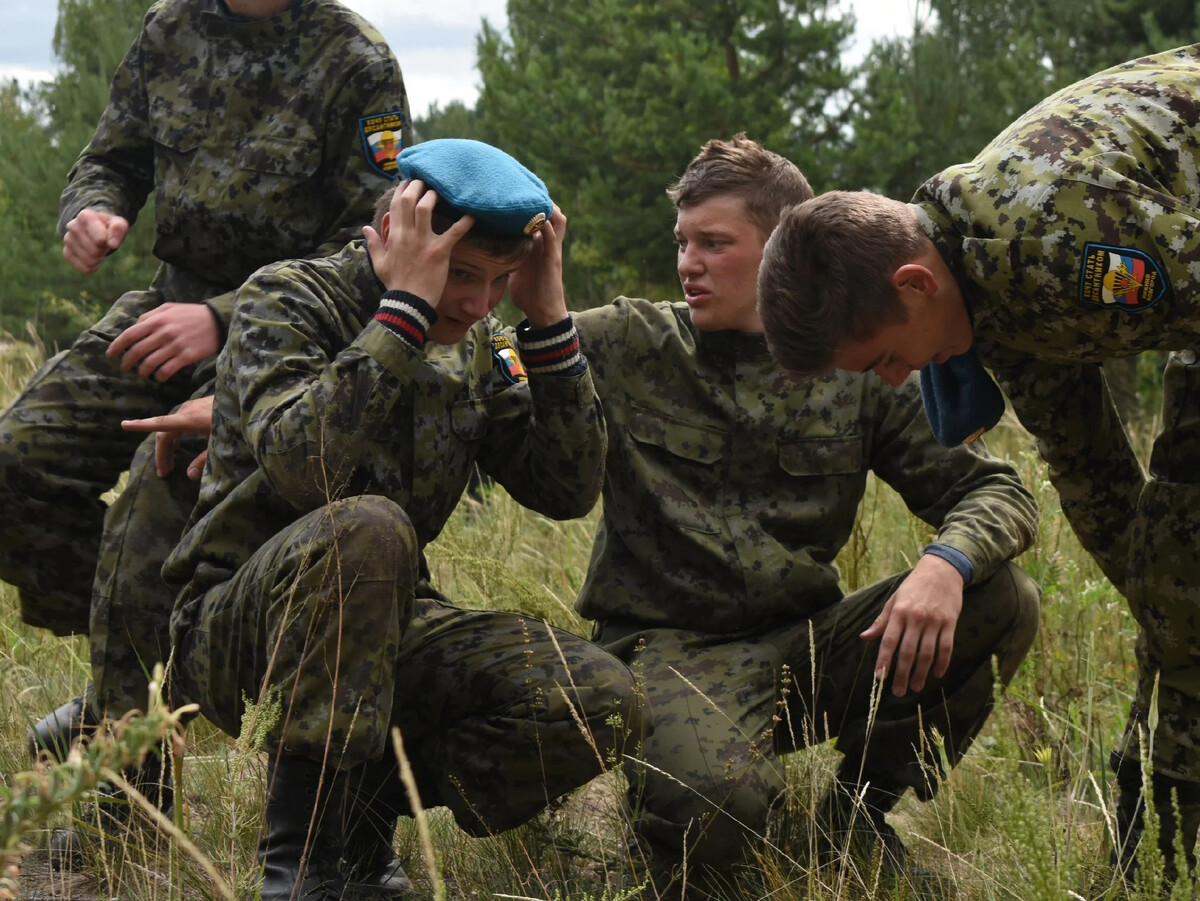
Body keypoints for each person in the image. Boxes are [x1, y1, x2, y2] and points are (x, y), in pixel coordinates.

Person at [755, 43, 1200, 880]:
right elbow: (1090, 467)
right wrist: (1160, 613)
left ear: (916, 284)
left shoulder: (1054, 239)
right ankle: (1155, 864)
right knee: (1176, 578)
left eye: (883, 358)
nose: (893, 381)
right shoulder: (991, 293)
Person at [159, 139, 646, 901]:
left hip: (384, 631)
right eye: (460, 273)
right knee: (370, 526)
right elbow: (300, 465)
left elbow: (565, 488)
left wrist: (548, 321)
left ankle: (360, 820)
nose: (478, 304)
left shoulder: (481, 342)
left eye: (498, 280)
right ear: (393, 234)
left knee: (604, 700)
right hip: (238, 630)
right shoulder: (287, 300)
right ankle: (306, 866)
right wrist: (405, 313)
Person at [572, 135, 1041, 895]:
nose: (688, 262)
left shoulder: (854, 361)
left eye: (714, 243)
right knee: (718, 817)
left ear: (786, 251)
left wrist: (943, 565)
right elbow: (501, 364)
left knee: (1001, 597)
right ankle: (675, 800)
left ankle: (856, 814)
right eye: (682, 242)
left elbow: (998, 491)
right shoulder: (629, 341)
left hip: (807, 648)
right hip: (672, 655)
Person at [3, 0, 410, 768]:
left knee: (148, 510)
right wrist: (92, 210)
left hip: (284, 331)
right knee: (14, 459)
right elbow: (110, 160)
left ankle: (127, 783)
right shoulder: (169, 29)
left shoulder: (356, 60)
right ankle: (135, 658)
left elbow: (378, 244)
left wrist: (225, 318)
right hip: (164, 308)